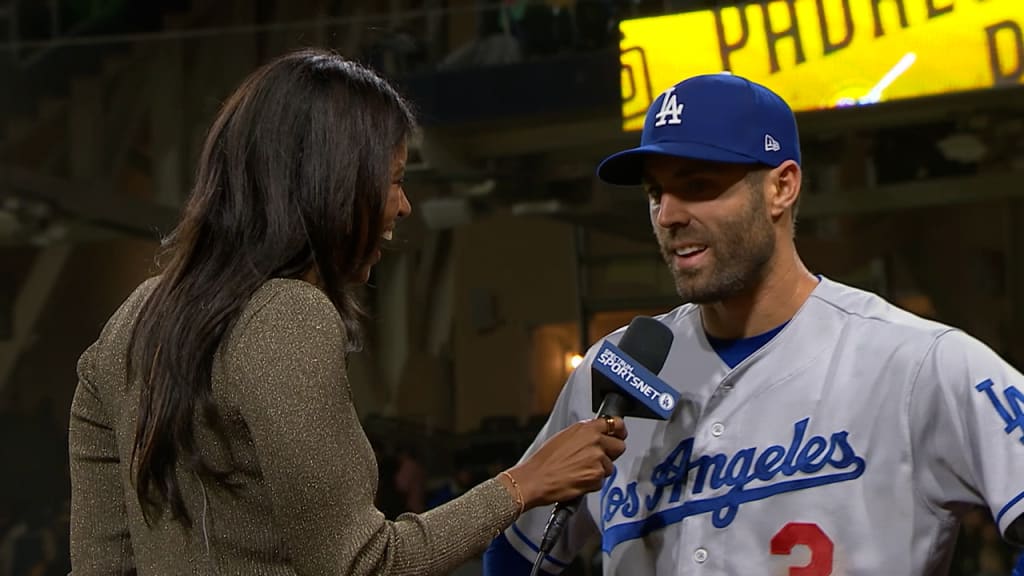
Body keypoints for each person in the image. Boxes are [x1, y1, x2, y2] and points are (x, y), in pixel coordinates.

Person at [67, 48, 628, 576]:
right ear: (330, 185)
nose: (404, 206)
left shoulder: (130, 321)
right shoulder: (286, 314)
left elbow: (100, 565)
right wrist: (524, 483)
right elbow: (364, 564)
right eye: (395, 181)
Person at [483, 73, 1024, 575]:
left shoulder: (918, 363)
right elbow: (515, 553)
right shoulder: (617, 371)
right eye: (655, 193)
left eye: (697, 184)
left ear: (781, 188)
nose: (668, 214)